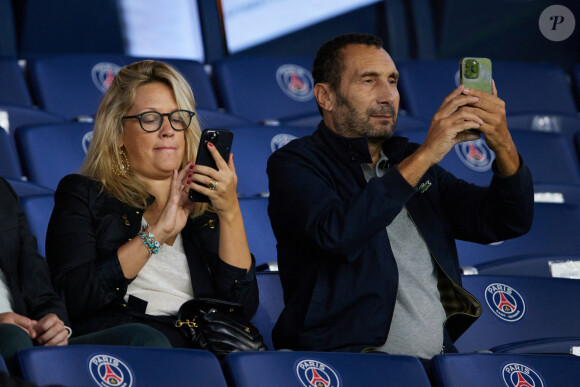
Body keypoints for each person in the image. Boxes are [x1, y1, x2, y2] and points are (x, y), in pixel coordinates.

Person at [267, 33, 533, 358]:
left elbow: (505, 221)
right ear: (326, 96)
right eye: (369, 80)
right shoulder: (295, 162)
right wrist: (426, 155)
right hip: (349, 368)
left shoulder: (410, 160)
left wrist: (502, 143)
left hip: (436, 366)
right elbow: (337, 234)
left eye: (392, 81)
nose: (387, 95)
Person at [46, 60, 258, 348]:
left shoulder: (206, 206)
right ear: (118, 133)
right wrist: (156, 234)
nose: (168, 130)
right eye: (150, 119)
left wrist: (230, 210)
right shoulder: (83, 194)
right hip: (138, 344)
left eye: (176, 118)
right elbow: (74, 296)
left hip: (203, 346)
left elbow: (242, 307)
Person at [0, 178, 171, 376]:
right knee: (12, 336)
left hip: (29, 338)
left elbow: (38, 286)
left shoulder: (2, 192)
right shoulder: (83, 193)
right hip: (12, 339)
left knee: (145, 340)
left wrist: (56, 325)